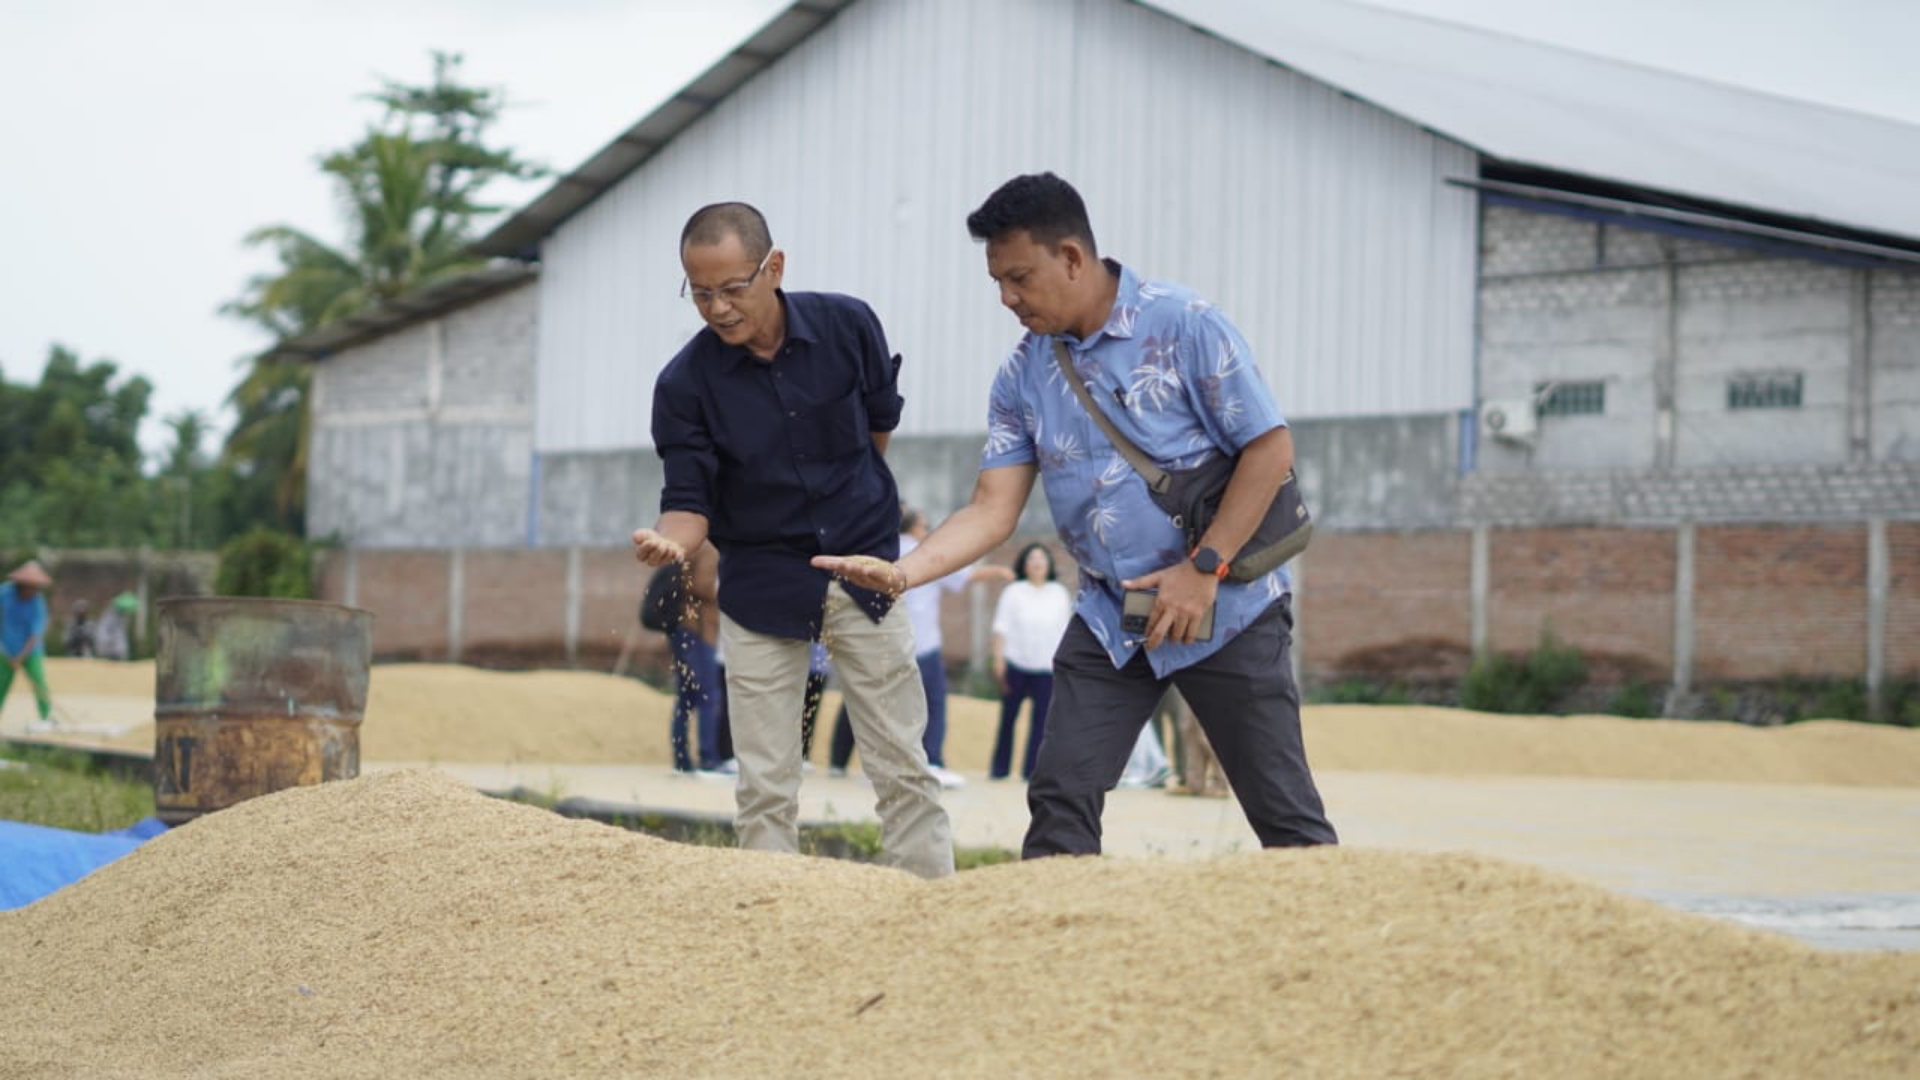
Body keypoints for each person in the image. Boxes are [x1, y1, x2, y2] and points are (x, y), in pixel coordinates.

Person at [816, 172, 1337, 857]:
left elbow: (1269, 451)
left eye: (1020, 277)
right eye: (997, 281)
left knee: (1284, 816)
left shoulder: (1185, 325)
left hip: (1228, 611)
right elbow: (991, 509)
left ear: (1071, 257)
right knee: (1060, 797)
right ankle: (1050, 949)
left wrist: (1204, 567)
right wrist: (905, 572)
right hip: (1111, 620)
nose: (1007, 298)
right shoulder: (1022, 376)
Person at [631, 201, 953, 879]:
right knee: (766, 788)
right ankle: (771, 925)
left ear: (773, 268)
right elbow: (687, 505)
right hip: (760, 586)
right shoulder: (684, 385)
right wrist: (671, 543)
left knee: (903, 766)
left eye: (731, 287)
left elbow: (877, 431)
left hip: (864, 572)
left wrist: (857, 505)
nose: (717, 308)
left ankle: (931, 913)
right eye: (699, 292)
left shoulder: (848, 326)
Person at [827, 504, 1014, 787]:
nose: (927, 531)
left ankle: (842, 763)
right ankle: (933, 761)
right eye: (925, 526)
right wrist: (999, 572)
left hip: (880, 642)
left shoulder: (876, 552)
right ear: (915, 528)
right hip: (922, 644)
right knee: (932, 703)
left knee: (867, 701)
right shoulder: (925, 553)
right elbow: (965, 576)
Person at [988, 542, 1073, 781]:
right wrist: (998, 660)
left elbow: (1065, 630)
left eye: (1042, 559)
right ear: (1024, 564)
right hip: (1015, 663)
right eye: (1032, 559)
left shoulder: (1059, 593)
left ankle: (1031, 771)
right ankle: (1000, 769)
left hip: (1046, 667)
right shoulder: (1014, 591)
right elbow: (1000, 627)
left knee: (1041, 723)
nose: (1037, 564)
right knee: (1008, 717)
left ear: (1049, 565)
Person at [653, 543, 728, 774]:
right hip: (697, 629)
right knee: (708, 694)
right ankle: (708, 759)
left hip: (685, 628)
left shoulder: (694, 545)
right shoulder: (709, 547)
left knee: (686, 693)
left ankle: (682, 759)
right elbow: (703, 585)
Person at [1, 560, 56, 732]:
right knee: (1, 684)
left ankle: (46, 717)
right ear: (22, 584)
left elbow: (35, 635)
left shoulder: (38, 604)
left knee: (38, 681)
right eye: (31, 586)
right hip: (4, 651)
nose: (34, 590)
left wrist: (21, 656)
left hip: (30, 651)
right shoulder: (4, 593)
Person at [94, 592, 134, 661]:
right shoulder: (109, 615)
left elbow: (121, 631)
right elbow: (104, 630)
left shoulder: (124, 616)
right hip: (108, 646)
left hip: (119, 647)